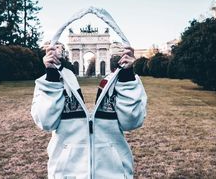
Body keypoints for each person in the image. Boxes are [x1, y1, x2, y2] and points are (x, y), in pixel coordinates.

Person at [31, 42, 147, 179]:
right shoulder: (50, 83)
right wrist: (51, 76)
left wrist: (127, 76)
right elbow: (45, 122)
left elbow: (132, 122)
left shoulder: (124, 83)